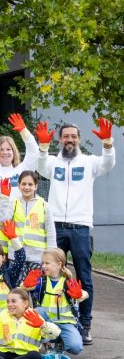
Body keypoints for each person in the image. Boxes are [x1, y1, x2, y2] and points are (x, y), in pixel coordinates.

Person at [36, 118, 115, 345]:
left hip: (80, 227)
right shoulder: (53, 162)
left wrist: (108, 143)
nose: (69, 140)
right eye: (66, 136)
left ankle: (85, 325)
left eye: (73, 136)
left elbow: (108, 164)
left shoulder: (89, 162)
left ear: (79, 139)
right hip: (56, 226)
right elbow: (41, 167)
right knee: (51, 273)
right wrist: (42, 148)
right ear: (60, 140)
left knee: (84, 277)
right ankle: (48, 322)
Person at [24, 248, 88, 355]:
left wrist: (81, 295)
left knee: (76, 347)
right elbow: (22, 289)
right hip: (46, 323)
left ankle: (60, 342)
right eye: (43, 263)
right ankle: (47, 344)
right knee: (37, 311)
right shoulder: (41, 281)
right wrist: (25, 285)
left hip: (66, 323)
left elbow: (85, 294)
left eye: (47, 263)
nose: (43, 266)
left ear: (59, 264)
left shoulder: (67, 283)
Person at [16, 170, 55, 271]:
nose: (27, 187)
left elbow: (50, 232)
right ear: (19, 185)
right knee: (17, 287)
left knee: (37, 286)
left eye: (30, 184)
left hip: (38, 257)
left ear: (36, 186)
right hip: (16, 254)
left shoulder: (44, 205)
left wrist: (51, 256)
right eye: (23, 184)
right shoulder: (13, 203)